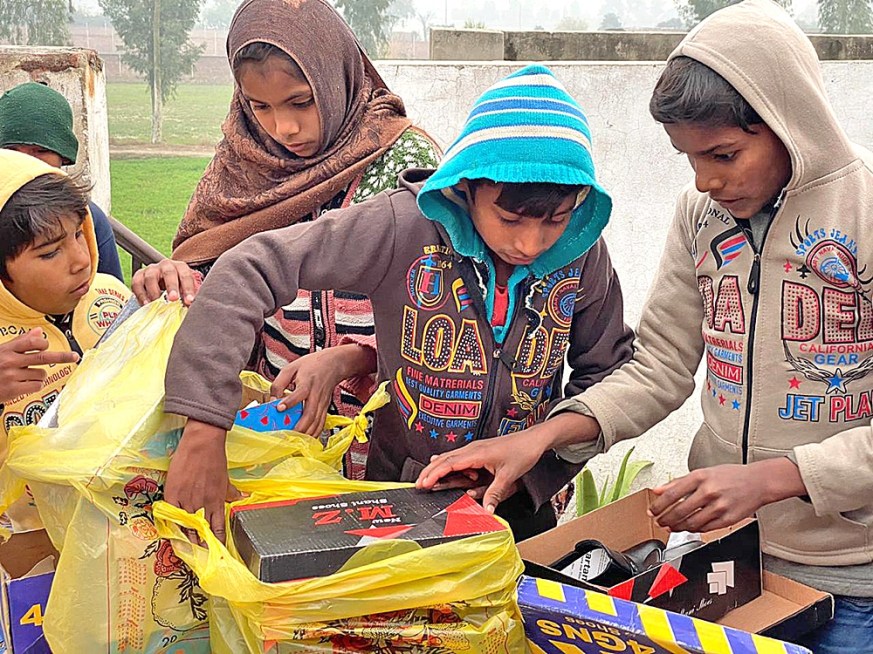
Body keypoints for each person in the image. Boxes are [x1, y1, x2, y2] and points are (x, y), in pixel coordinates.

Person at [416, 2, 873, 650]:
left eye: (723, 154)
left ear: (787, 123)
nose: (705, 180)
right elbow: (660, 364)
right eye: (688, 158)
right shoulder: (701, 216)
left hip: (851, 577)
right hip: (725, 558)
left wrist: (778, 476)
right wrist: (541, 439)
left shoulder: (864, 210)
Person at [145, 64, 634, 543]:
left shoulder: (583, 256)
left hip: (518, 511)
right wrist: (204, 428)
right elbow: (250, 268)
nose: (530, 244)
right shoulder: (402, 228)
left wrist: (536, 469)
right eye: (510, 220)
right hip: (401, 504)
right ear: (465, 188)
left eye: (555, 221)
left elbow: (606, 374)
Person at [138, 0, 440, 480]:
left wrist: (351, 358)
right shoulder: (244, 164)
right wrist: (180, 277)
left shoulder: (404, 162)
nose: (284, 128)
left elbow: (440, 309)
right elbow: (217, 270)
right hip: (276, 422)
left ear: (335, 80)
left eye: (301, 102)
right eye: (260, 107)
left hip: (381, 427)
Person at [0, 149, 130, 531]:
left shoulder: (112, 297)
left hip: (120, 522)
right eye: (50, 252)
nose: (81, 260)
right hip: (27, 541)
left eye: (78, 233)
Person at [0, 81, 124, 282]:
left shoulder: (88, 218)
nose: (26, 161)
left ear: (63, 157)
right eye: (11, 151)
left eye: (40, 151)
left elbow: (107, 295)